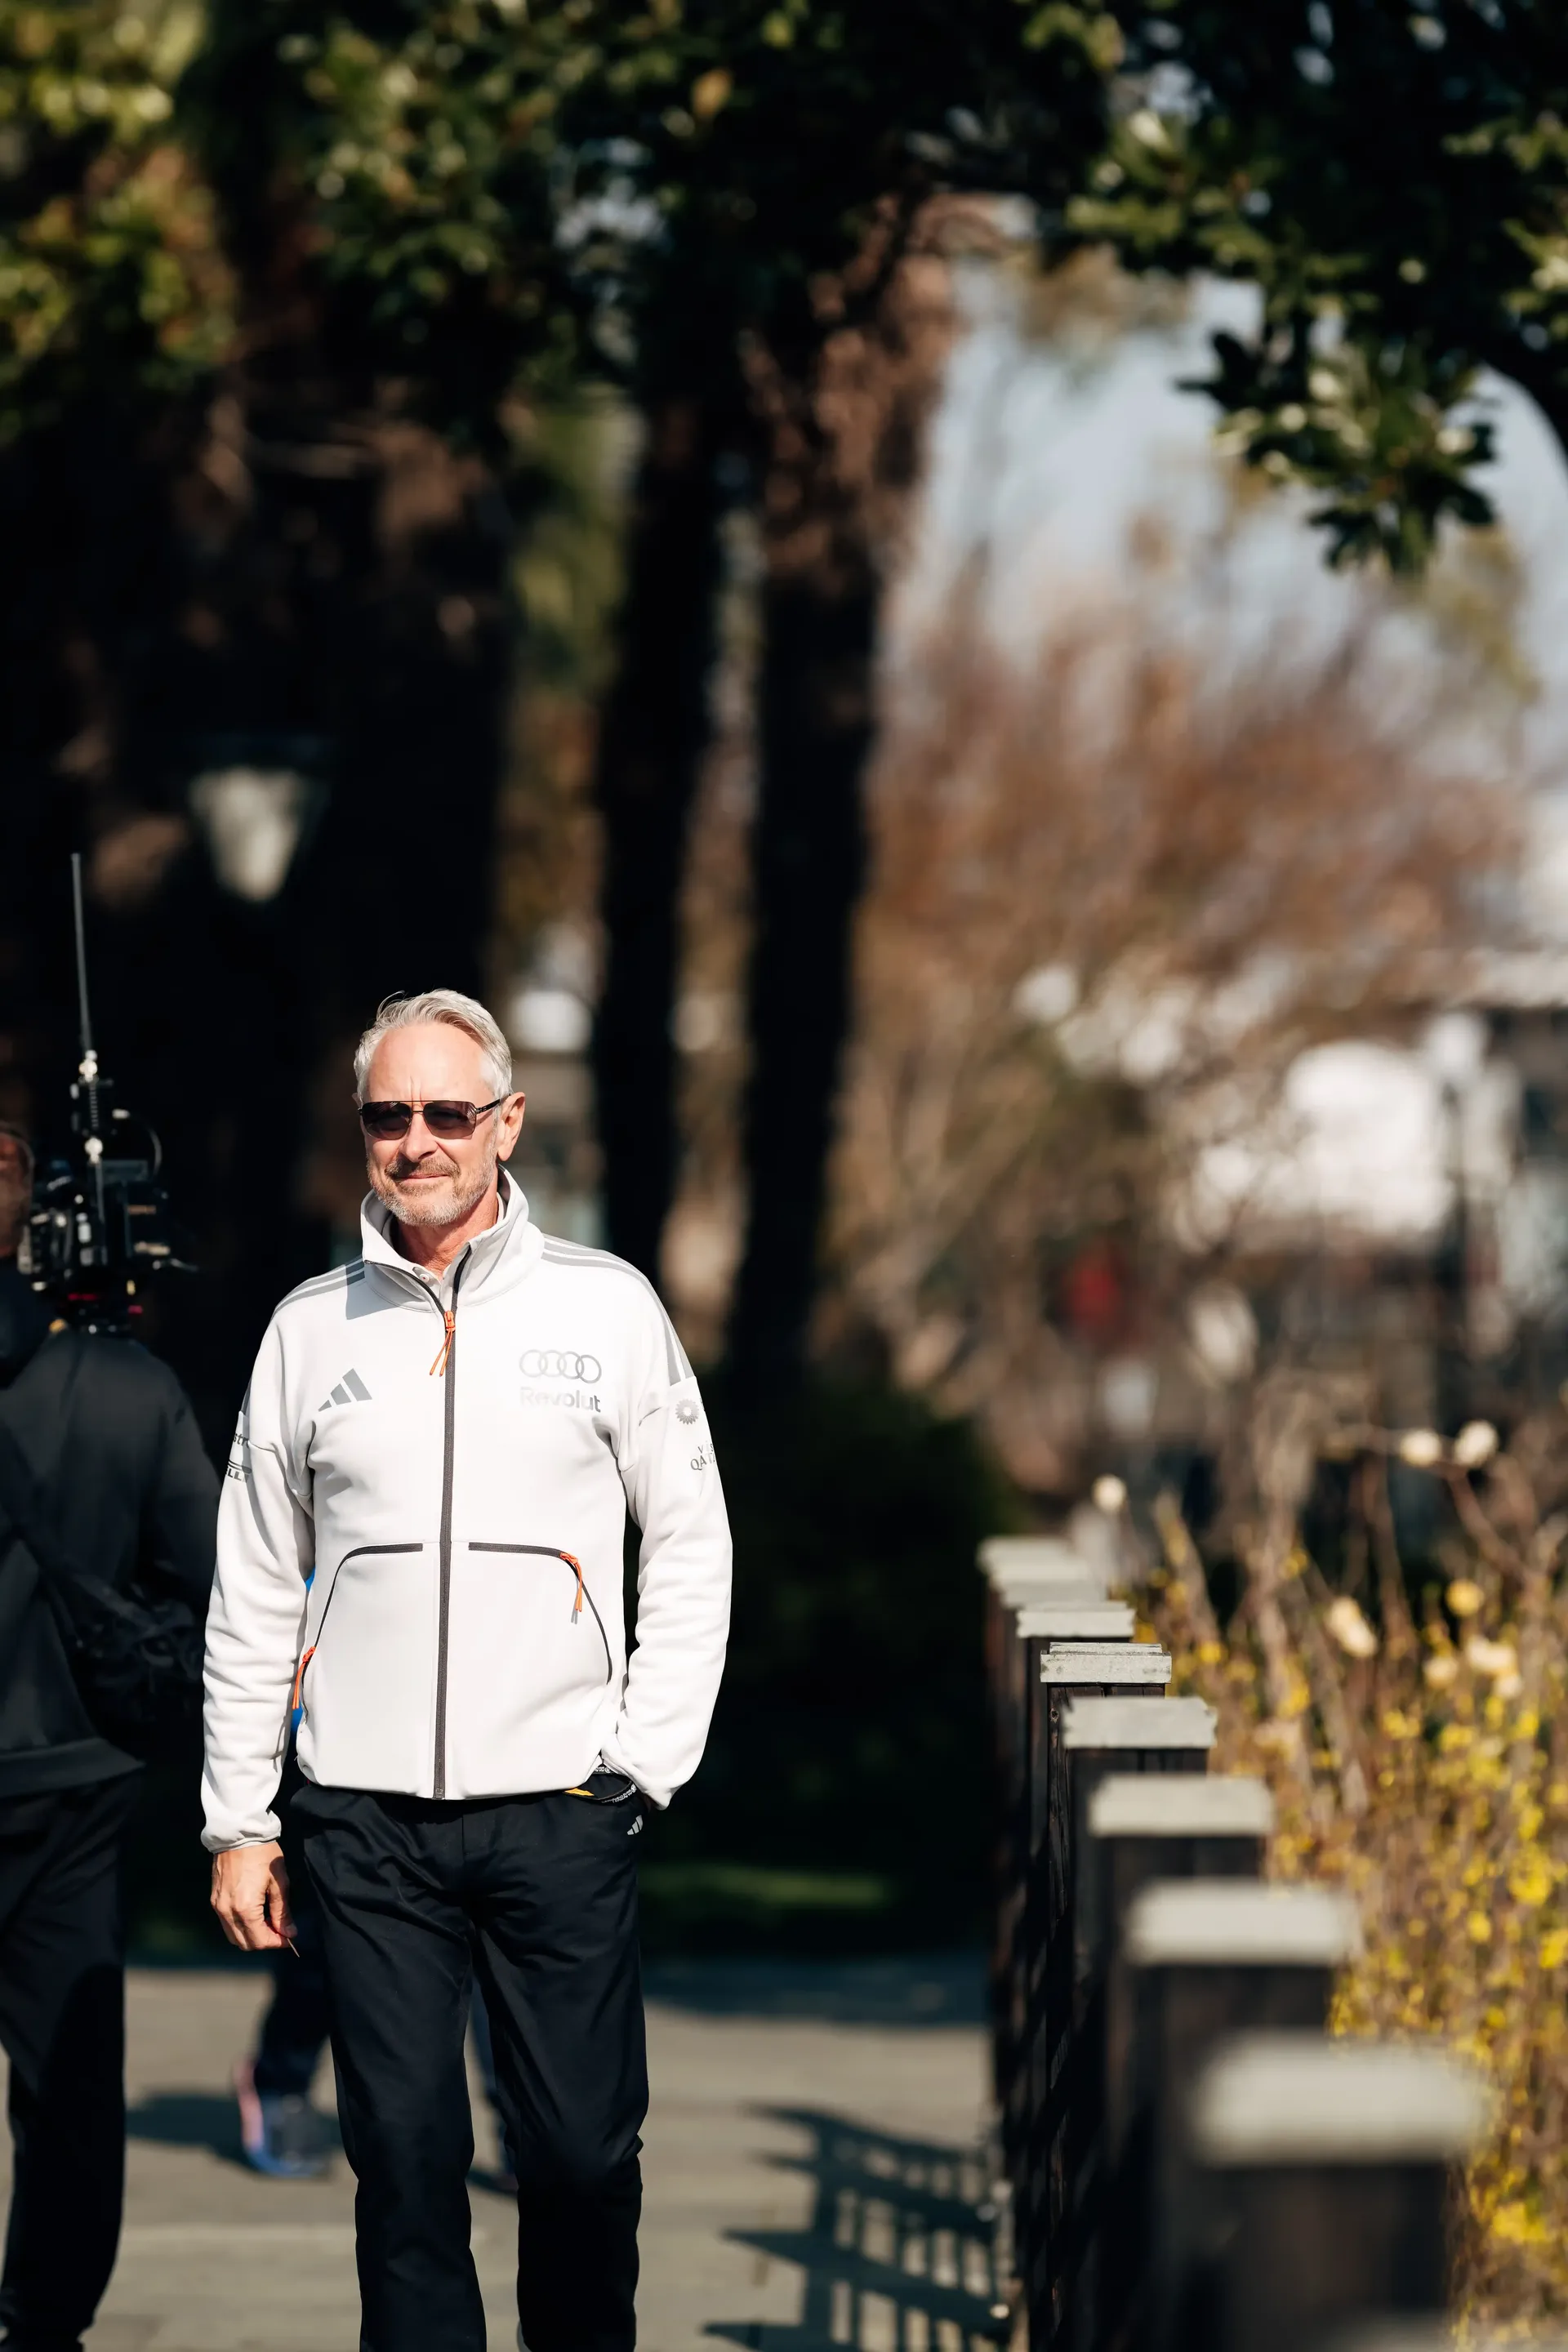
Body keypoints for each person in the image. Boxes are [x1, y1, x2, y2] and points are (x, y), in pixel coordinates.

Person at [202, 990, 732, 2352]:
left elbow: (689, 1542)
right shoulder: (309, 1332)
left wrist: (641, 1765)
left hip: (562, 1804)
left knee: (573, 2158)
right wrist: (242, 1819)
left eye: (448, 1113)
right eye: (390, 1115)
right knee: (406, 2163)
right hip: (363, 1822)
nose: (419, 1141)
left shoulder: (608, 1311)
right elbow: (258, 1582)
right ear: (364, 1133)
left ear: (505, 1125)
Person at [0, 1121, 217, 2352]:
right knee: (69, 2098)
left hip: (70, 1785)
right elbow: (216, 1583)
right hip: (75, 1783)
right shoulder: (126, 1389)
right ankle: (41, 2330)